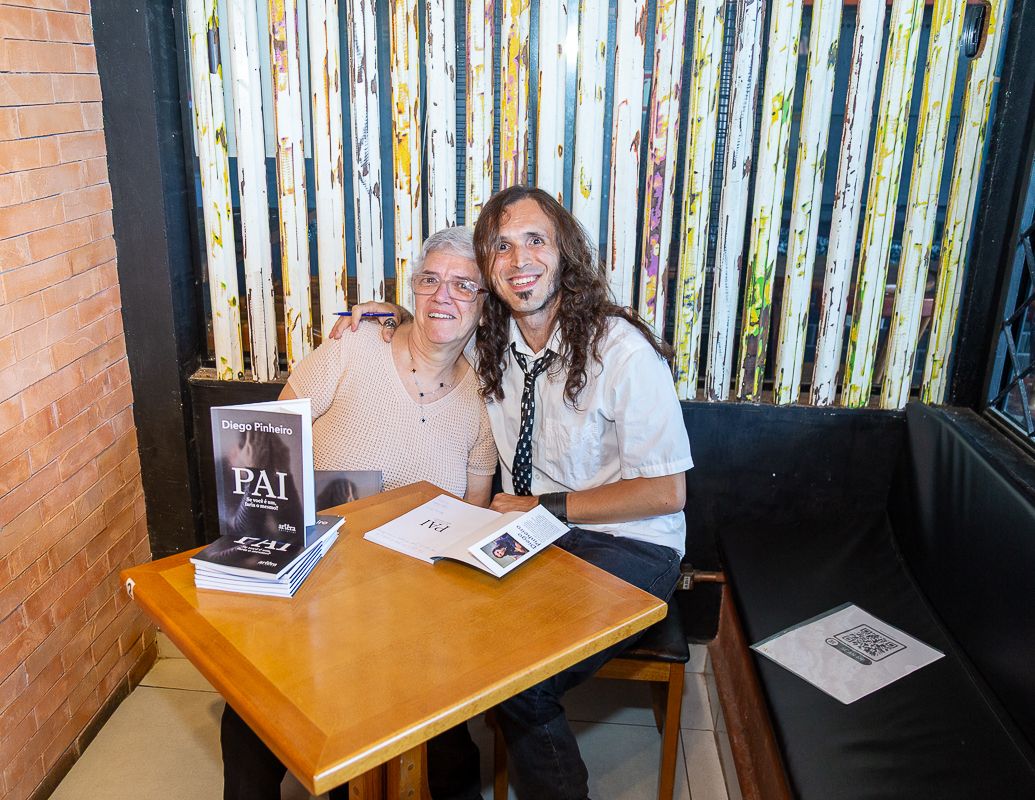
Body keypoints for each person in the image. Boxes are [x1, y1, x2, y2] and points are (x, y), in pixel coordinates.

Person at [337, 186, 692, 800]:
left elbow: (667, 492)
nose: (519, 259)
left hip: (629, 545)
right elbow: (440, 316)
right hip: (538, 536)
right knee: (435, 627)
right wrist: (387, 311)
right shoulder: (492, 344)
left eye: (535, 240)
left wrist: (545, 507)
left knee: (523, 682)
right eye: (501, 246)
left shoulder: (622, 353)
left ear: (565, 252)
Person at [221, 226, 495, 800]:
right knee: (253, 709)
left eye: (463, 285)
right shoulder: (353, 349)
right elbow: (267, 442)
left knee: (441, 743)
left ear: (484, 302)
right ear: (412, 289)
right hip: (316, 578)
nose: (443, 295)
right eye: (430, 280)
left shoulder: (483, 399)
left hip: (413, 603)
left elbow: (474, 511)